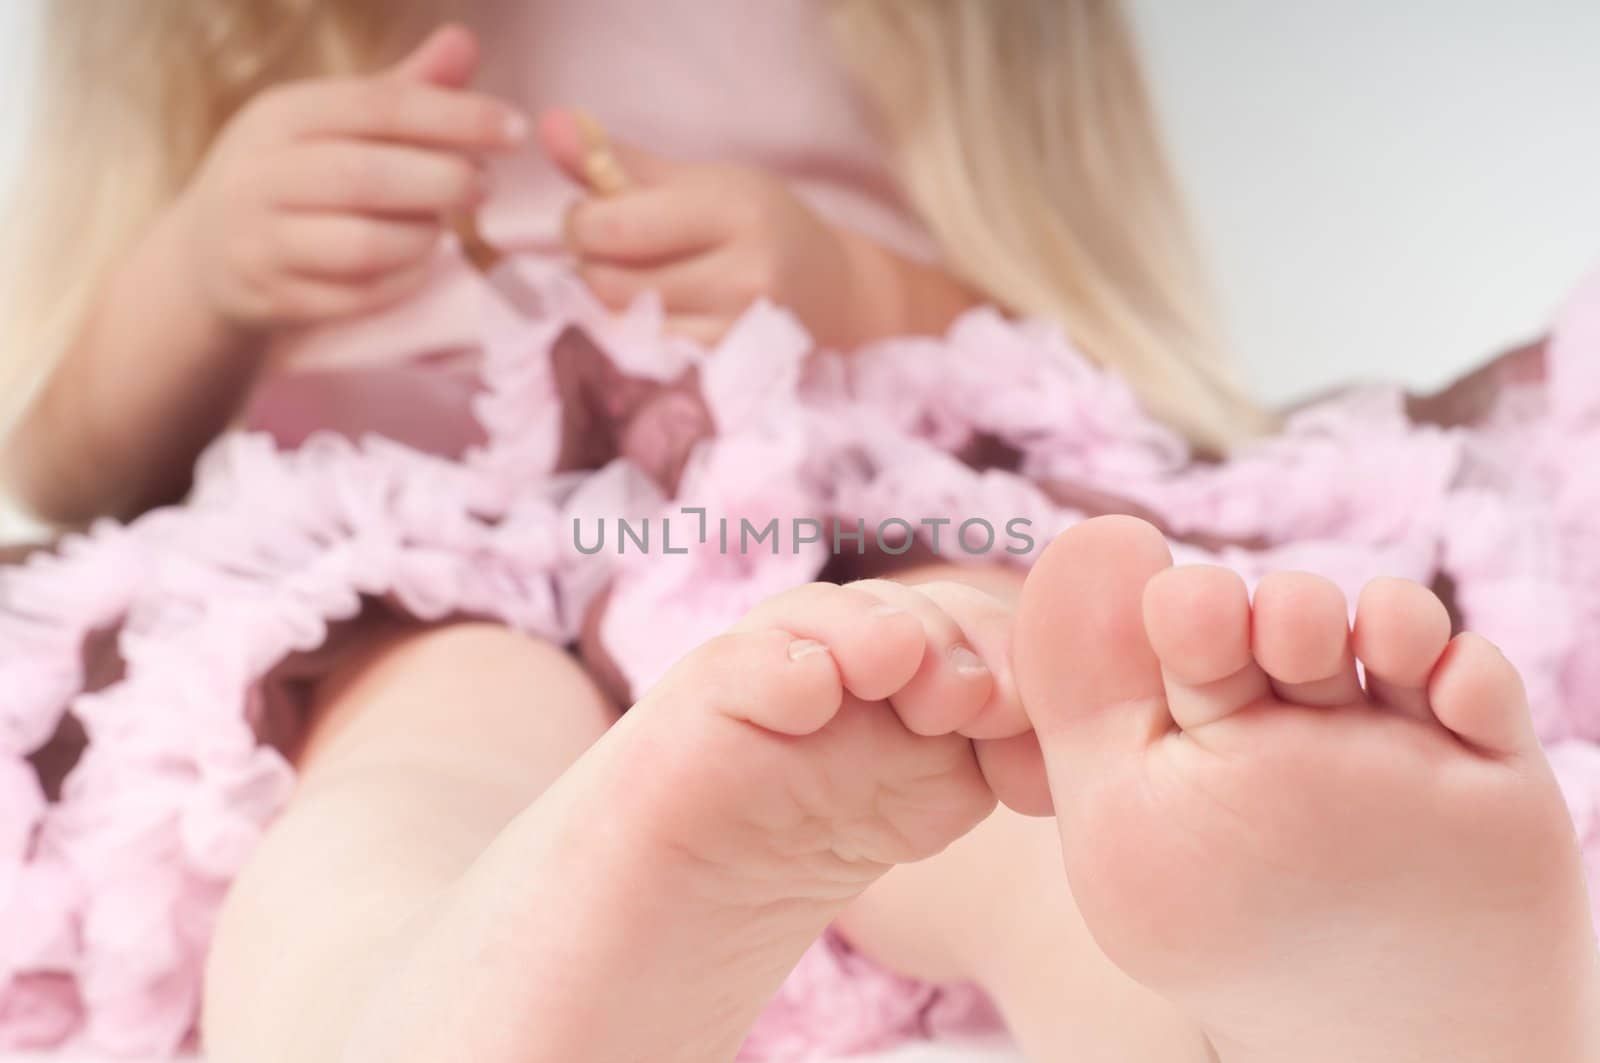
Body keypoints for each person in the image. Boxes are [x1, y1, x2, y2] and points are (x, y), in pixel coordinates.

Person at [1, 2, 1596, 1060]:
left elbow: (1070, 357)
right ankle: (410, 1013)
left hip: (820, 477)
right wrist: (199, 272)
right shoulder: (263, 63)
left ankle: (1237, 988)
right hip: (394, 537)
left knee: (982, 663)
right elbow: (70, 473)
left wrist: (855, 288)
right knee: (414, 735)